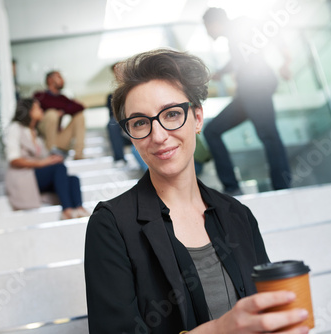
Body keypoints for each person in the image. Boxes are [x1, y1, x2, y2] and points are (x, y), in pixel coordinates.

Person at [84, 49, 309, 334]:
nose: (159, 135)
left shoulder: (238, 215)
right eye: (140, 122)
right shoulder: (111, 225)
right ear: (130, 134)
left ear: (198, 118)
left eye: (172, 114)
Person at [203, 8, 292, 195]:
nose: (207, 32)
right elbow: (239, 59)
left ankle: (282, 187)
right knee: (212, 131)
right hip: (247, 93)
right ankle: (232, 186)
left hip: (256, 88)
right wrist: (221, 73)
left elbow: (271, 28)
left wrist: (286, 59)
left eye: (207, 27)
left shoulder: (240, 25)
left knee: (269, 135)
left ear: (214, 24)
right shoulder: (232, 36)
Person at [5, 98, 89, 220]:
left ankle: (79, 208)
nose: (41, 110)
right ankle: (67, 210)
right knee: (59, 168)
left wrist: (52, 159)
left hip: (36, 174)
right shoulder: (15, 128)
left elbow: (44, 158)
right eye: (37, 108)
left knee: (73, 179)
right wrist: (43, 162)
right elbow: (14, 160)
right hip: (23, 175)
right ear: (29, 111)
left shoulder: (35, 132)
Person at [33, 71, 86, 159]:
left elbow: (80, 107)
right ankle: (50, 153)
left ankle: (79, 155)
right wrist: (61, 109)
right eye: (59, 77)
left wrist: (63, 111)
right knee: (52, 114)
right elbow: (48, 104)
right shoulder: (40, 95)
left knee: (79, 116)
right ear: (50, 80)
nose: (63, 80)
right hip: (44, 139)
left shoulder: (62, 98)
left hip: (58, 138)